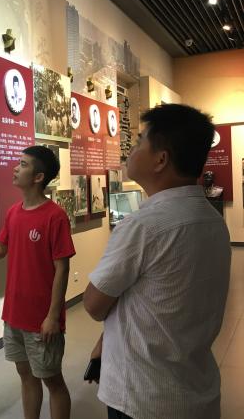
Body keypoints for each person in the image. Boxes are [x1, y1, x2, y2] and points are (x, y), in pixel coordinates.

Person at [83, 104, 231, 419]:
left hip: (142, 396)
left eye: (139, 141)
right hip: (195, 391)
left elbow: (94, 305)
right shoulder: (212, 220)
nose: (131, 150)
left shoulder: (143, 226)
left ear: (160, 159)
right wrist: (107, 338)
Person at [0, 146, 75, 419]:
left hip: (41, 319)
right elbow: (1, 249)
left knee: (53, 381)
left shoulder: (55, 216)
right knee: (26, 376)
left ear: (38, 177)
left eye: (23, 164)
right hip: (14, 315)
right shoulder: (13, 212)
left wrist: (53, 317)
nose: (15, 168)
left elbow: (62, 268)